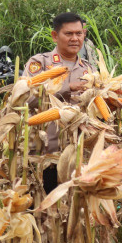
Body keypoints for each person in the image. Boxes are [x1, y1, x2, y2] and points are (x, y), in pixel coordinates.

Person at [23, 12, 92, 193]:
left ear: (84, 34)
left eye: (79, 33)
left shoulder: (89, 68)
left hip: (76, 155)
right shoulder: (40, 63)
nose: (75, 38)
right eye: (68, 34)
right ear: (55, 36)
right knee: (41, 207)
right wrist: (67, 87)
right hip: (44, 153)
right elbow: (26, 99)